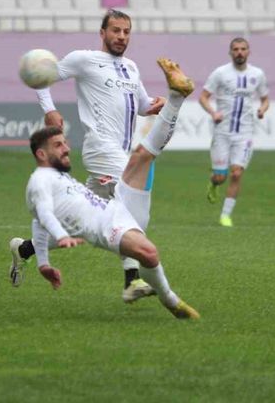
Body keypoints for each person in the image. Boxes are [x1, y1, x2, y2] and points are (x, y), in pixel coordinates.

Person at [20, 58, 199, 319]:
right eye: (58, 145)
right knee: (147, 248)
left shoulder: (61, 177)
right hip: (103, 226)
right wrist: (61, 239)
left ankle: (23, 249)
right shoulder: (39, 181)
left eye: (64, 143)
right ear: (41, 154)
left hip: (112, 206)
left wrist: (41, 258)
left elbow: (39, 224)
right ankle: (162, 296)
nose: (67, 148)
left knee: (141, 157)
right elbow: (44, 215)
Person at [10, 10, 166, 304]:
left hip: (121, 151)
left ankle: (25, 249)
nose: (121, 36)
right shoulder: (84, 59)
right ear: (102, 33)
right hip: (100, 148)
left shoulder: (131, 67)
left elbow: (142, 105)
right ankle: (132, 281)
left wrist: (157, 104)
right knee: (129, 205)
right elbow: (45, 77)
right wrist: (49, 109)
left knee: (84, 220)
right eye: (116, 30)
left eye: (126, 31)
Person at [199, 38, 269, 227]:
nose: (239, 52)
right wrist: (213, 112)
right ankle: (214, 182)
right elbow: (203, 97)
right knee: (221, 177)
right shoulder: (220, 73)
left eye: (243, 49)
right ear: (230, 52)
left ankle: (225, 215)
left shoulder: (257, 74)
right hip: (222, 132)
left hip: (245, 133)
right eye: (236, 49)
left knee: (237, 173)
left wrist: (262, 109)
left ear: (248, 52)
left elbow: (265, 98)